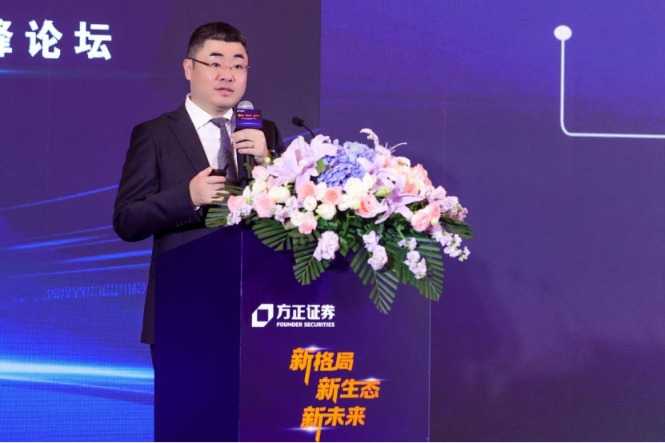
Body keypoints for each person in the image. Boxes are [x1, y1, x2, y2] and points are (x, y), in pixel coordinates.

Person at [113, 22, 285, 346]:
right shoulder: (156, 134)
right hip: (183, 308)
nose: (227, 75)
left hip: (257, 307)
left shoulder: (265, 133)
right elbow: (127, 220)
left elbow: (291, 215)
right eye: (215, 63)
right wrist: (187, 197)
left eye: (238, 66)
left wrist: (267, 161)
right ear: (188, 68)